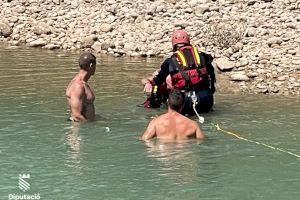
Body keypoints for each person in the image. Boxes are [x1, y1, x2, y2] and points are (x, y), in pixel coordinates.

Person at [148, 29, 216, 115]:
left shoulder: (170, 61)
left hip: (184, 101)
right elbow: (212, 75)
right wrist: (211, 90)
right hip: (206, 99)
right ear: (188, 42)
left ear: (174, 45)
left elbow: (158, 81)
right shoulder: (202, 56)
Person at [141, 89, 205, 141]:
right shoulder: (193, 125)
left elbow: (144, 140)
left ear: (167, 102)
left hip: (163, 156)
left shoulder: (156, 123)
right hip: (184, 155)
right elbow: (202, 141)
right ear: (182, 105)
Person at [66, 52, 97, 122]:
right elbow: (76, 115)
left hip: (84, 126)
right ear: (91, 65)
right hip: (80, 129)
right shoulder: (78, 86)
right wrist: (92, 126)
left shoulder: (81, 83)